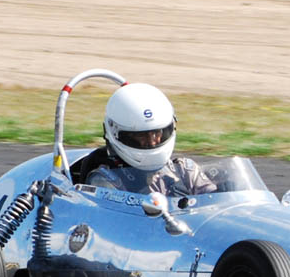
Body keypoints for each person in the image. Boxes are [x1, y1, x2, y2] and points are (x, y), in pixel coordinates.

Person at [74, 82, 216, 196]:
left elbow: (215, 206)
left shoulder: (184, 170)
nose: (152, 141)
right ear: (117, 134)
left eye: (157, 133)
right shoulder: (104, 180)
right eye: (141, 136)